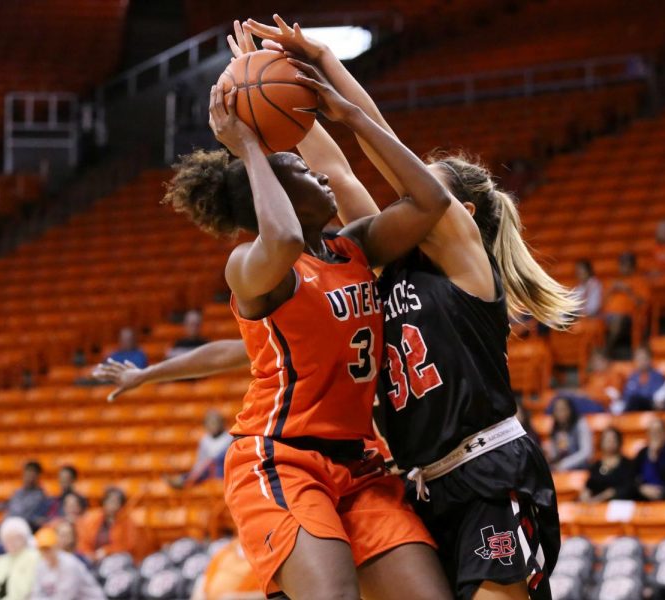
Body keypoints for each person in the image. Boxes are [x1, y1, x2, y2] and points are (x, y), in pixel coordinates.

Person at [163, 23, 453, 599]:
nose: (319, 172)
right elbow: (285, 239)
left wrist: (342, 114)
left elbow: (431, 200)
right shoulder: (252, 265)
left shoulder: (353, 247)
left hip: (362, 466)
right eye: (301, 172)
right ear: (275, 191)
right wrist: (249, 146)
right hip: (282, 460)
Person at [75, 487, 153, 563]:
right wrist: (90, 554)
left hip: (116, 559)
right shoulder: (92, 518)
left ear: (121, 505)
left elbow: (128, 545)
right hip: (93, 557)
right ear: (104, 502)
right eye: (110, 501)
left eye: (116, 502)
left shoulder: (128, 522)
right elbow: (84, 540)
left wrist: (106, 551)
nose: (113, 505)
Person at [165, 409, 233, 489]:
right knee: (204, 466)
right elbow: (201, 460)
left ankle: (184, 480)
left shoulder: (229, 437)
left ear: (222, 423)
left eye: (215, 422)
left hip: (223, 471)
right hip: (207, 472)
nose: (213, 426)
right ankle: (186, 480)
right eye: (210, 423)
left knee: (213, 462)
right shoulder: (205, 440)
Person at [29, 527, 104, 600]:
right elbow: (36, 593)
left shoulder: (69, 564)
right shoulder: (41, 566)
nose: (46, 552)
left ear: (56, 546)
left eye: (48, 548)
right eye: (42, 549)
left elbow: (65, 597)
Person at [602, 252, 650, 356]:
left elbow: (642, 304)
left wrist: (628, 291)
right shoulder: (613, 281)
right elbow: (603, 302)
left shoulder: (640, 281)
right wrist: (611, 290)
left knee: (618, 319)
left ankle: (607, 350)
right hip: (608, 316)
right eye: (621, 264)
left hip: (630, 317)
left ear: (633, 266)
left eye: (626, 265)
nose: (623, 267)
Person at [0, 517, 39, 600]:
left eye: (15, 538)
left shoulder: (34, 557)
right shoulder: (0, 560)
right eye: (7, 539)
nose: (11, 543)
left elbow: (27, 590)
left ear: (24, 538)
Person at [0, 461, 49, 531]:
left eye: (32, 474)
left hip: (23, 529)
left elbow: (36, 519)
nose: (29, 477)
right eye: (27, 473)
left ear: (37, 476)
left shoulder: (41, 497)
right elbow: (7, 504)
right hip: (7, 525)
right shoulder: (18, 492)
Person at [580, 427, 634, 503]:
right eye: (607, 439)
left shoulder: (627, 464)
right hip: (596, 507)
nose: (610, 441)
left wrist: (602, 497)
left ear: (619, 441)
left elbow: (628, 488)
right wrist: (585, 493)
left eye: (613, 439)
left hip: (619, 505)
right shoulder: (596, 465)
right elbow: (590, 485)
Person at [545, 397, 592, 471]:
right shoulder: (555, 428)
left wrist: (564, 464)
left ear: (570, 409)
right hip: (560, 469)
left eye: (563, 409)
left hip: (580, 469)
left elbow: (586, 453)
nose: (560, 413)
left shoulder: (580, 424)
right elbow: (556, 454)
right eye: (557, 410)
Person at [618, 345, 665, 413]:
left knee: (635, 400)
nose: (641, 362)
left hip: (650, 407)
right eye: (638, 359)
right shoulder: (632, 377)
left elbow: (655, 396)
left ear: (650, 359)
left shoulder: (657, 376)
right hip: (632, 407)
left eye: (644, 358)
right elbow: (626, 396)